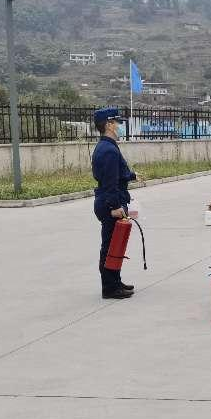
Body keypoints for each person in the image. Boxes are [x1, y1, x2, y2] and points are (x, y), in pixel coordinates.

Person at [91, 107, 136, 300]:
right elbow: (109, 184)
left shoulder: (106, 146)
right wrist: (116, 207)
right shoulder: (108, 149)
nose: (119, 126)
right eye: (117, 123)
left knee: (115, 245)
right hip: (110, 203)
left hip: (109, 199)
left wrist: (131, 175)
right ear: (109, 125)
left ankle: (115, 281)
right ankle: (109, 287)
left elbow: (115, 174)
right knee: (110, 246)